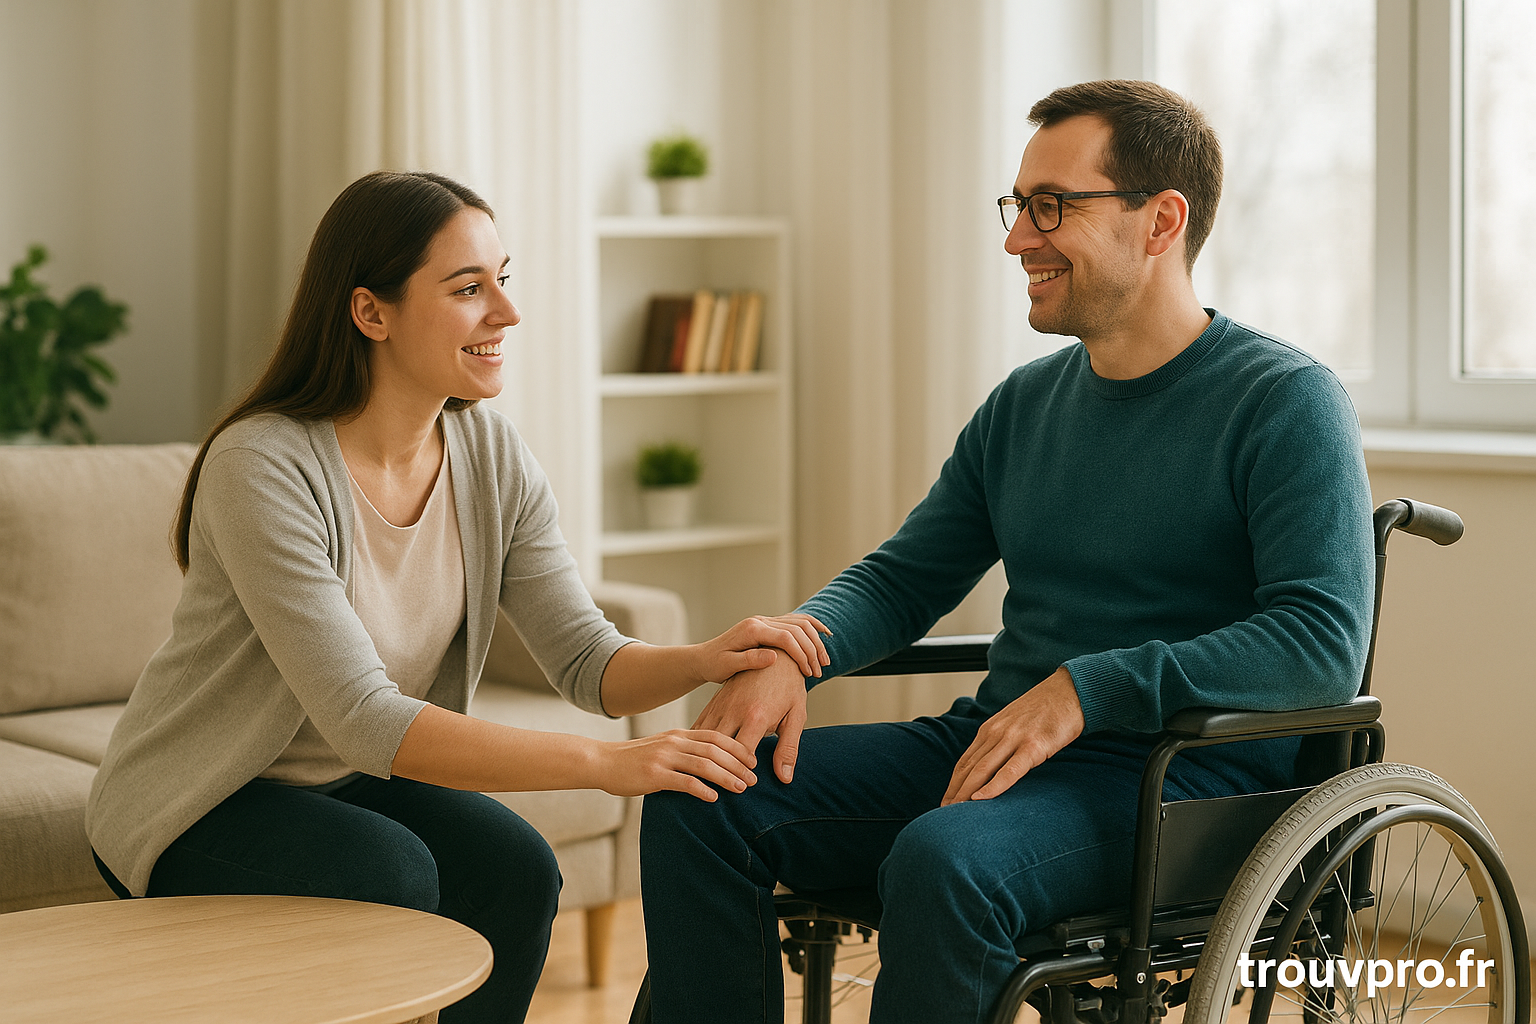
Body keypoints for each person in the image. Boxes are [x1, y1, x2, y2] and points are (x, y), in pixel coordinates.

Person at [639, 79, 1376, 1023]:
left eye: (1051, 207)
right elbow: (905, 578)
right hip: (1006, 751)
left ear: (1161, 222)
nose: (1017, 239)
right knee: (700, 796)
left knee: (946, 858)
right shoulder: (1025, 406)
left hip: (1184, 787)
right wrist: (795, 646)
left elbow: (1318, 645)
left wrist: (1085, 688)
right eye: (1018, 206)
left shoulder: (1285, 401)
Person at [84, 169, 831, 1024]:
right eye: (468, 289)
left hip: (345, 780)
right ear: (372, 312)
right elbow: (365, 718)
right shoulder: (265, 466)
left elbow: (587, 662)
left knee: (517, 868)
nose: (506, 314)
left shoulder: (489, 454)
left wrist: (703, 658)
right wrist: (608, 765)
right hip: (201, 799)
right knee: (388, 873)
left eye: (502, 281)